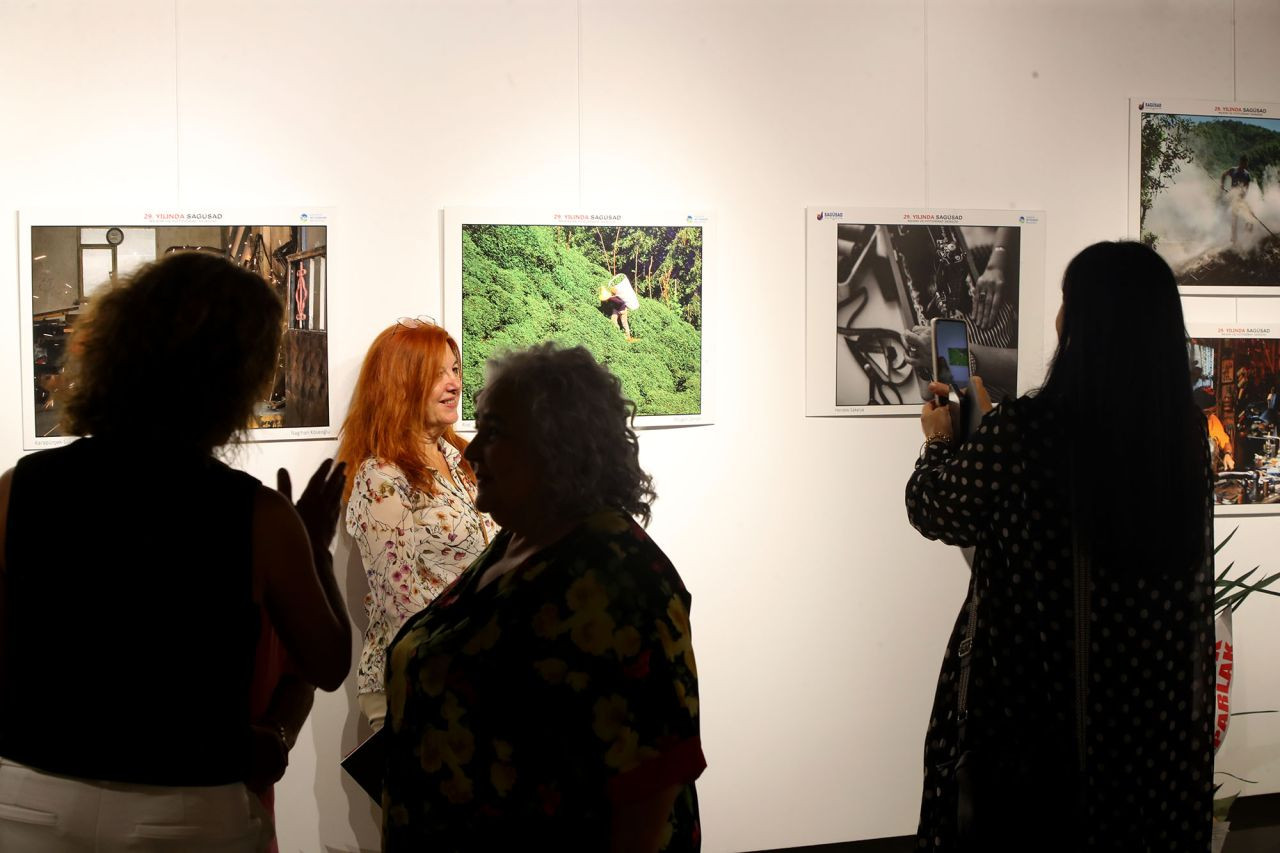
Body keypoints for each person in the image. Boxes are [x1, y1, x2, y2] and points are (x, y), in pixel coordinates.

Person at [0, 251, 352, 851]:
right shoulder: (258, 515)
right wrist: (316, 550)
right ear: (237, 377)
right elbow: (327, 663)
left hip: (31, 796)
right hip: (187, 807)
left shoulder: (18, 487)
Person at [905, 241, 1214, 851]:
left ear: (1084, 323)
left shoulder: (1029, 431)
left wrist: (941, 441)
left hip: (1036, 736)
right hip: (1147, 738)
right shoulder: (1182, 436)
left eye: (1067, 303)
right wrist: (995, 425)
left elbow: (936, 509)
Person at [382, 344, 705, 852]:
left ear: (555, 447)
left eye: (496, 433)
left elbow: (650, 790)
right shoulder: (516, 539)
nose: (472, 450)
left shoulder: (620, 576)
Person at [336, 317, 495, 732]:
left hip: (479, 677)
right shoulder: (381, 477)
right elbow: (401, 600)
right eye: (436, 373)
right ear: (400, 384)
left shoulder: (463, 460)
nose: (454, 383)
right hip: (416, 684)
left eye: (455, 369)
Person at [1221, 155, 1253, 245]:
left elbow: (1247, 188)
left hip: (1241, 198)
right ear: (1240, 162)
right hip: (1233, 197)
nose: (1244, 165)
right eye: (1243, 163)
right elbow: (1224, 174)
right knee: (1235, 217)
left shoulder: (1247, 175)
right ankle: (1234, 238)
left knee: (1251, 215)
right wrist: (1222, 184)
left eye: (1246, 163)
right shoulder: (1233, 170)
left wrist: (1243, 196)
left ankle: (1247, 236)